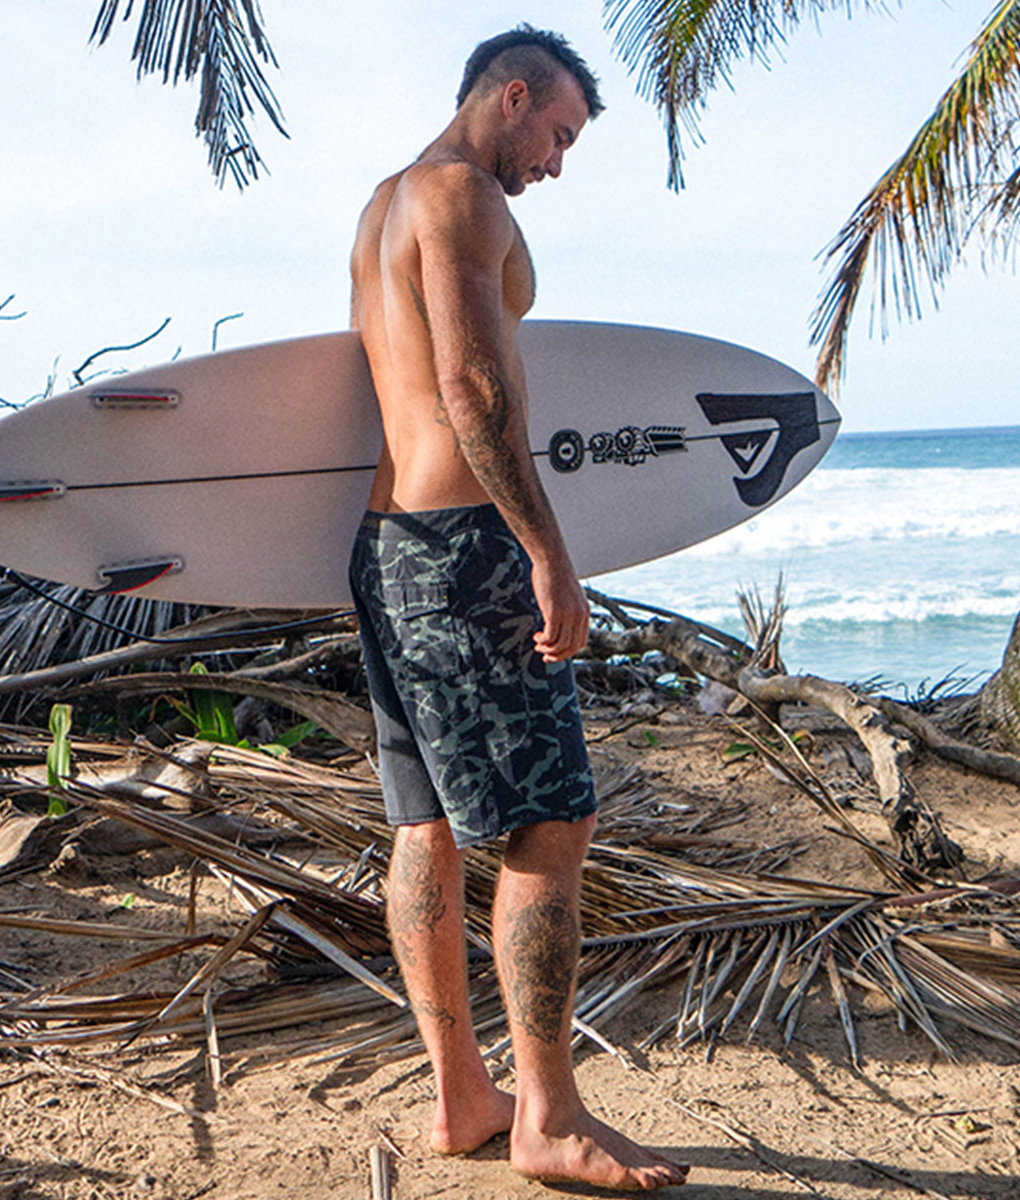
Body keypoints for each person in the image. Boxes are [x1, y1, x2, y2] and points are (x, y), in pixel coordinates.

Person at [347, 24, 690, 1192]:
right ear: (512, 95)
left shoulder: (380, 206)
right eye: (557, 132)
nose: (555, 161)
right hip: (463, 550)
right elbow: (472, 386)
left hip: (388, 547)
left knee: (426, 826)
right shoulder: (461, 199)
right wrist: (543, 547)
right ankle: (549, 1116)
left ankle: (464, 1098)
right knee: (550, 827)